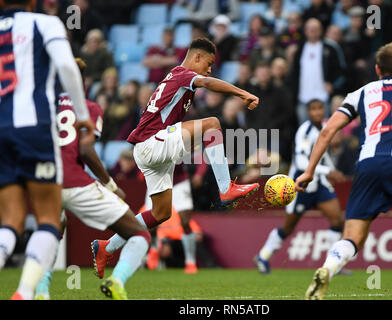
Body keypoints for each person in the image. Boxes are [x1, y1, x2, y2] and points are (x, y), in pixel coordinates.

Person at [91, 38, 261, 279]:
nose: (210, 68)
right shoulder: (182, 73)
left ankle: (108, 246)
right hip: (152, 144)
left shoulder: (175, 79)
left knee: (161, 213)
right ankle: (226, 188)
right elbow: (207, 82)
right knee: (213, 124)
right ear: (197, 57)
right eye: (209, 63)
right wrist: (242, 93)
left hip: (149, 151)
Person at [296, 42, 392, 300]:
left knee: (352, 237)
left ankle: (327, 268)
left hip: (367, 165)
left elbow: (326, 132)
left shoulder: (361, 93)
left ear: (377, 69)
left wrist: (309, 171)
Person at [0, 0, 95, 300]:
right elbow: (67, 65)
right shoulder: (45, 23)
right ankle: (26, 292)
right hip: (36, 129)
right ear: (33, 2)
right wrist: (82, 116)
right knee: (48, 217)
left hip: (1, 131)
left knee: (10, 219)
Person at [34, 58, 150, 301]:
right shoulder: (88, 108)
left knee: (51, 231)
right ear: (82, 81)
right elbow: (86, 152)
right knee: (140, 234)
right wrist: (110, 184)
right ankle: (116, 281)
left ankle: (41, 291)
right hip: (75, 183)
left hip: (44, 182)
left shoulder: (40, 105)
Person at [254, 99, 346, 274]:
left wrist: (332, 171)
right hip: (300, 185)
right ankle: (263, 256)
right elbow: (303, 162)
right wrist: (328, 171)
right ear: (308, 112)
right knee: (288, 228)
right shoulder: (304, 131)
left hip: (319, 184)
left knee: (337, 220)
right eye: (313, 109)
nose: (317, 112)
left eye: (320, 108)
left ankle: (332, 264)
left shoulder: (326, 127)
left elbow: (323, 155)